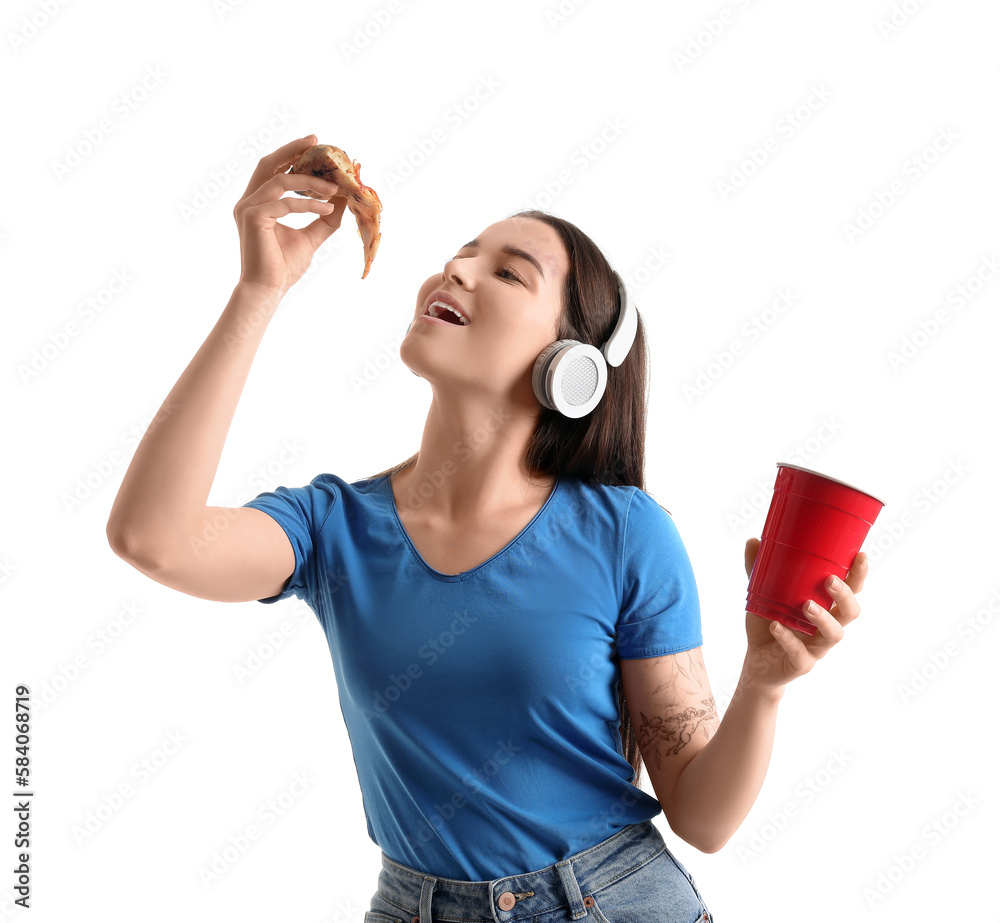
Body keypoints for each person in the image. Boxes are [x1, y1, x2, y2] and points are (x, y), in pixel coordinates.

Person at [106, 134, 868, 923]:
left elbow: (702, 817)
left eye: (507, 271)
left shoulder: (626, 535)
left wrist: (767, 682)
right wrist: (260, 289)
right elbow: (152, 538)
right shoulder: (332, 527)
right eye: (461, 254)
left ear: (570, 366)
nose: (456, 270)